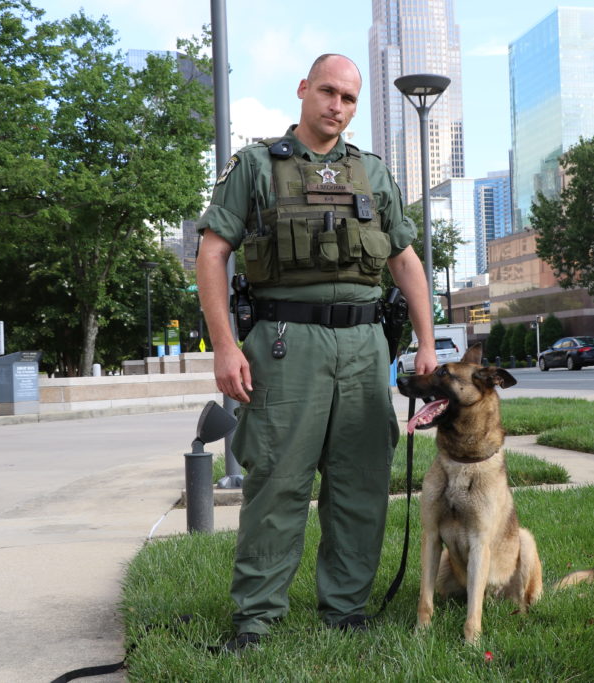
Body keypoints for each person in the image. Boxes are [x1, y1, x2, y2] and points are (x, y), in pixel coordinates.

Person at [196, 53, 436, 651]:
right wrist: (225, 347)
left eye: (350, 99)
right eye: (328, 92)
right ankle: (255, 619)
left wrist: (428, 342)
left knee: (360, 482)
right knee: (277, 481)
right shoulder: (255, 166)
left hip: (363, 345)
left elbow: (405, 260)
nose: (337, 106)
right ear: (303, 89)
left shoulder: (374, 175)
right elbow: (211, 253)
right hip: (284, 343)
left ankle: (346, 610)